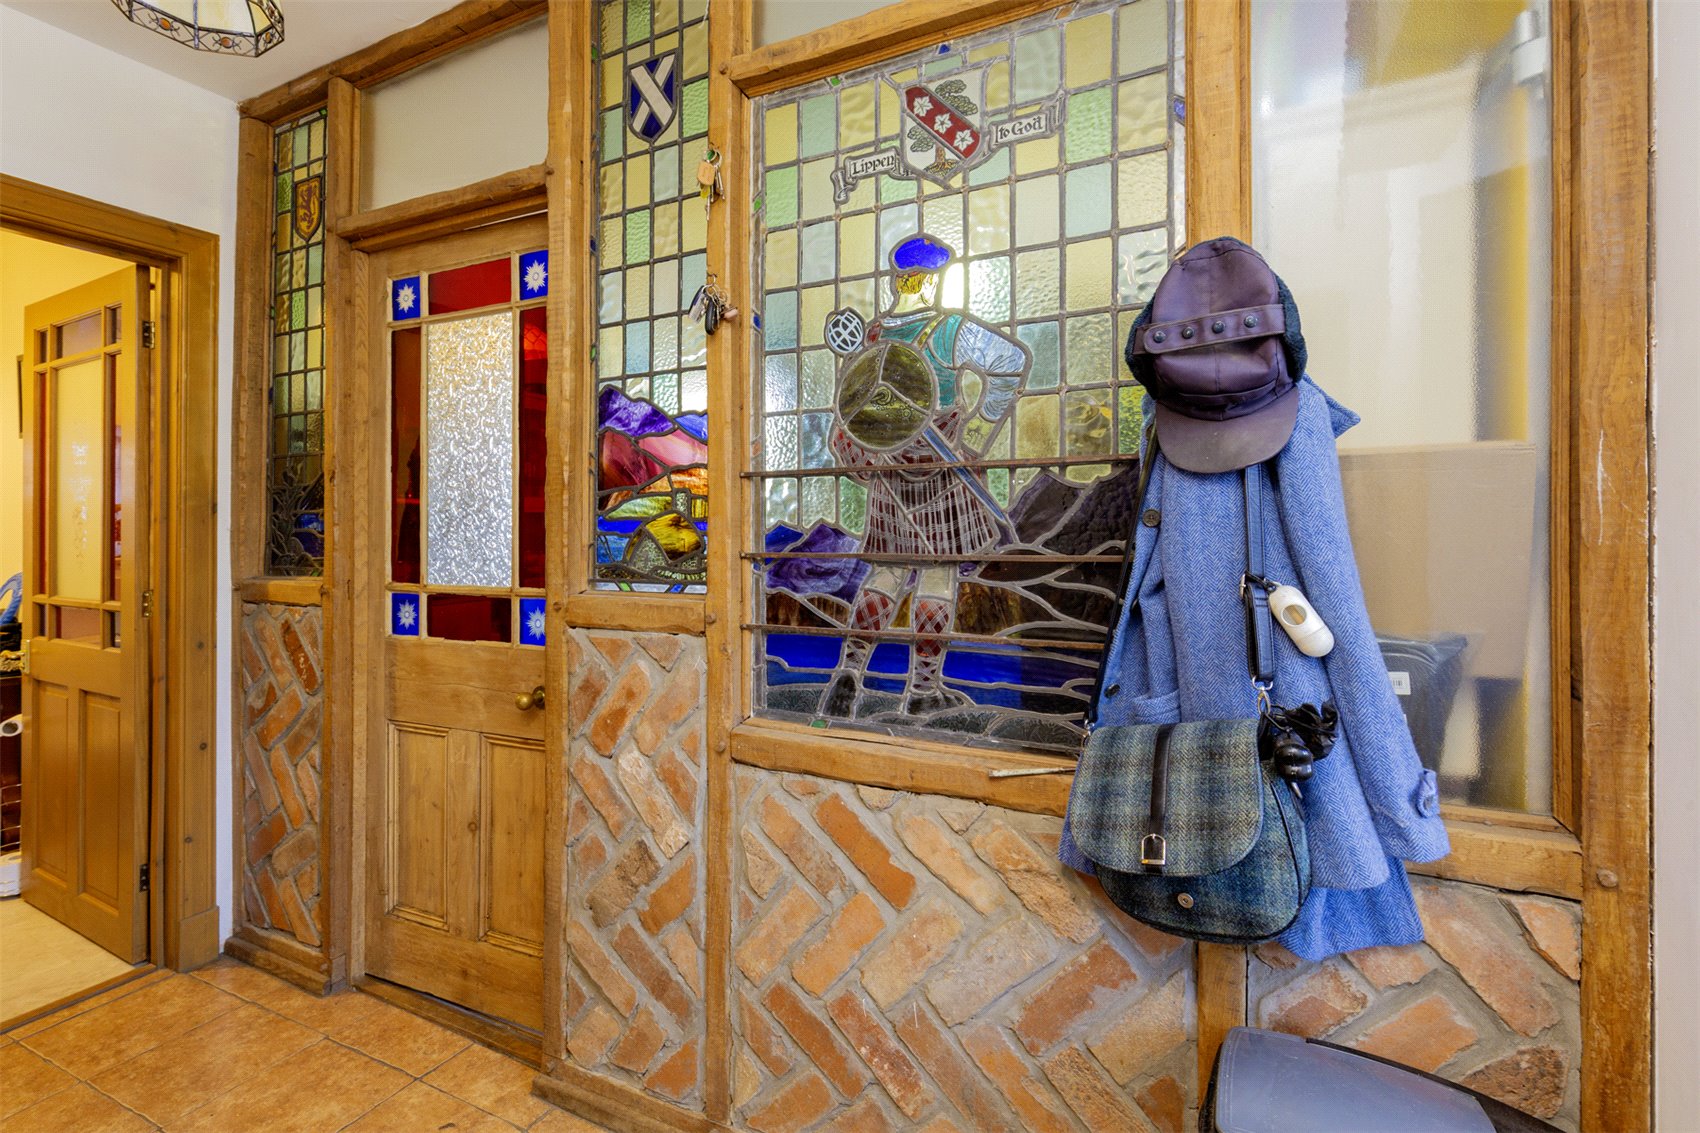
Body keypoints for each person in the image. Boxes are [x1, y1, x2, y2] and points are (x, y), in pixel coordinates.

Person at [823, 233, 1031, 717]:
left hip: (890, 471)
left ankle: (849, 671)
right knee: (937, 576)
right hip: (941, 470)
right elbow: (1012, 362)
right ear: (931, 280)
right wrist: (976, 432)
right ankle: (921, 691)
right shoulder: (948, 329)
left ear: (898, 282)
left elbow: (853, 410)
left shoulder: (873, 336)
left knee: (886, 571)